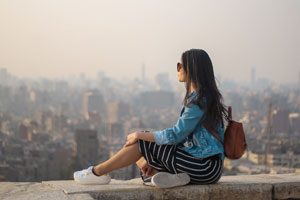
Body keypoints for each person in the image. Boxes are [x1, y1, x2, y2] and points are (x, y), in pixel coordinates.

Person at [73, 49, 228, 188]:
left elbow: (175, 135)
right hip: (206, 169)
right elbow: (183, 139)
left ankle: (97, 172)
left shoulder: (198, 101)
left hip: (204, 167)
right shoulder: (205, 97)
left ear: (192, 69)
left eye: (180, 65)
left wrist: (140, 135)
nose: (178, 69)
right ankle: (174, 177)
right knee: (146, 167)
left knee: (141, 141)